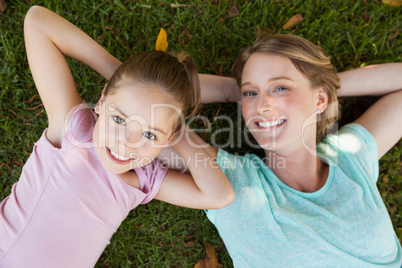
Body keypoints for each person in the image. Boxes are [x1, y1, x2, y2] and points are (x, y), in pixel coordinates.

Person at [0, 6, 234, 267]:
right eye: (119, 118)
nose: (127, 142)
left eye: (148, 134)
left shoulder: (145, 180)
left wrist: (176, 132)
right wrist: (118, 75)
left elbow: (220, 196)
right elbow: (37, 21)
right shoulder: (74, 130)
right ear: (101, 102)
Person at [199, 30, 402, 267]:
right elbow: (149, 97)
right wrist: (236, 92)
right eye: (250, 93)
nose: (263, 105)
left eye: (281, 88)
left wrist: (323, 86)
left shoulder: (349, 158)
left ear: (320, 100)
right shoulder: (229, 180)